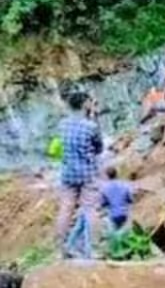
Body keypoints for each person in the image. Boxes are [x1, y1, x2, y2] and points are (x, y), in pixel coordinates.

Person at [56, 91, 103, 258]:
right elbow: (99, 148)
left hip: (68, 173)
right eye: (89, 101)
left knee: (65, 209)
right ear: (85, 104)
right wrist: (95, 116)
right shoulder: (91, 126)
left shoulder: (62, 125)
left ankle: (61, 249)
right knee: (91, 210)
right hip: (87, 173)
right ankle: (94, 250)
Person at [100, 167, 133, 232]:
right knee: (125, 231)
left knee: (114, 230)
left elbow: (103, 204)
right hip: (124, 214)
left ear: (107, 176)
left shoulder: (104, 188)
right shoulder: (124, 185)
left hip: (113, 216)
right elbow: (130, 200)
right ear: (117, 174)